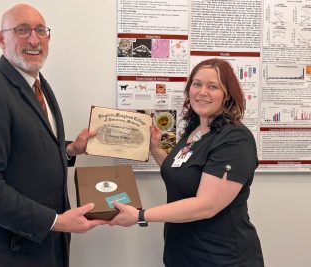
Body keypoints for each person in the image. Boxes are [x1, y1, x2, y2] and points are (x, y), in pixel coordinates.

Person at [0, 4, 105, 267]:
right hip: (7, 253)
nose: (34, 39)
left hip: (44, 248)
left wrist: (68, 150)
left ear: (48, 37)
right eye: (22, 30)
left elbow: (24, 151)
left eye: (40, 30)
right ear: (1, 39)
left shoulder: (39, 85)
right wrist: (55, 221)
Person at [110, 58, 264, 266]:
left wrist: (141, 215)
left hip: (221, 257)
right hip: (182, 253)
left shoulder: (235, 138)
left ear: (227, 95)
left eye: (213, 86)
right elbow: (182, 173)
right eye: (197, 84)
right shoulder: (195, 131)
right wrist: (155, 149)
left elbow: (206, 205)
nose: (202, 92)